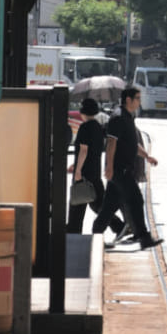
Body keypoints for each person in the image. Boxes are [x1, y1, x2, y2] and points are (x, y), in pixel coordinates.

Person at [93, 86, 162, 250]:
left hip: (124, 169)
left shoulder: (128, 117)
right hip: (119, 170)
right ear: (128, 100)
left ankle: (95, 235)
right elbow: (111, 143)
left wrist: (147, 156)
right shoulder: (118, 117)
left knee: (109, 207)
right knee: (136, 200)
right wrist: (109, 167)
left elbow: (132, 143)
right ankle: (144, 237)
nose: (139, 101)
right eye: (137, 98)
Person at [68, 98, 119, 235]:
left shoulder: (84, 128)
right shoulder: (98, 127)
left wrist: (78, 170)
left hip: (84, 173)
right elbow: (92, 151)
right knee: (99, 204)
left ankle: (73, 232)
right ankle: (119, 226)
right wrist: (75, 164)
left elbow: (84, 150)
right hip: (95, 172)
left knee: (77, 205)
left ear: (83, 112)